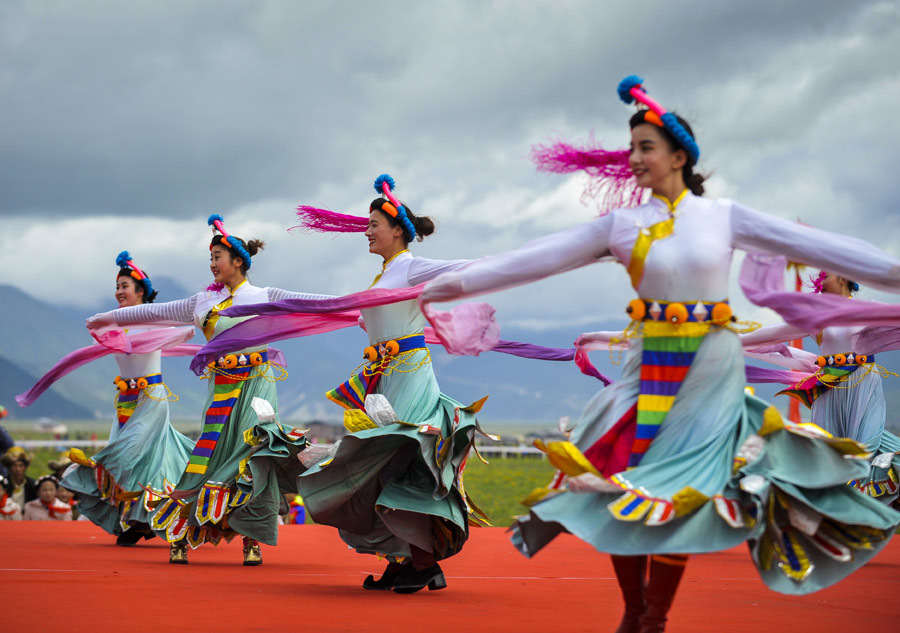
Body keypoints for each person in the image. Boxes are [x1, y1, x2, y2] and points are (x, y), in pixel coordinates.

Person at [420, 76, 900, 632]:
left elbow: (830, 250)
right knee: (618, 481)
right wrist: (442, 288)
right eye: (632, 149)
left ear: (679, 154)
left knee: (683, 491)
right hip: (646, 369)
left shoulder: (722, 215)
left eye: (646, 147)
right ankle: (632, 607)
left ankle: (654, 617)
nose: (635, 158)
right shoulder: (621, 224)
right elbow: (533, 258)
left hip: (709, 373)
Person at [256, 175, 487, 592]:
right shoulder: (382, 277)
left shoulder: (411, 267)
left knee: (398, 460)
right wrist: (276, 301)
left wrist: (531, 260)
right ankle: (403, 559)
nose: (366, 231)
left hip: (410, 376)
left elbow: (467, 269)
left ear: (397, 229)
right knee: (380, 467)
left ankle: (423, 561)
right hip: (383, 380)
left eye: (373, 224)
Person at [85, 216, 326, 565]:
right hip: (221, 389)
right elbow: (154, 311)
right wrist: (106, 318)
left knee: (252, 457)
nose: (212, 264)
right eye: (210, 258)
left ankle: (251, 538)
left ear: (238, 261)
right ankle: (180, 533)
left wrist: (360, 306)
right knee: (207, 458)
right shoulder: (202, 303)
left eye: (218, 257)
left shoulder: (264, 295)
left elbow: (315, 302)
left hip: (258, 388)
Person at [741, 271, 900, 506]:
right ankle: (827, 507)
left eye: (826, 276)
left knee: (865, 446)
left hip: (863, 381)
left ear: (843, 278)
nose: (820, 281)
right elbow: (774, 332)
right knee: (825, 447)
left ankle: (857, 508)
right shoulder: (817, 317)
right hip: (828, 385)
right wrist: (733, 338)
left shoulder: (868, 309)